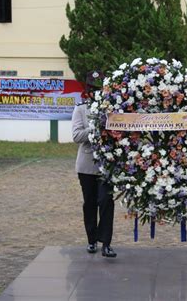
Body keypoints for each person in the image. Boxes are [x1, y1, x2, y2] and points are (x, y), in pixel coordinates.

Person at [72, 70, 116, 258]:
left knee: (106, 202)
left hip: (106, 165)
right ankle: (91, 240)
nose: (97, 93)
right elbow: (76, 136)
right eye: (94, 90)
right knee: (90, 203)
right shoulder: (81, 109)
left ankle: (106, 242)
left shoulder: (112, 109)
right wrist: (95, 127)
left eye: (100, 90)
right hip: (87, 166)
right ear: (88, 91)